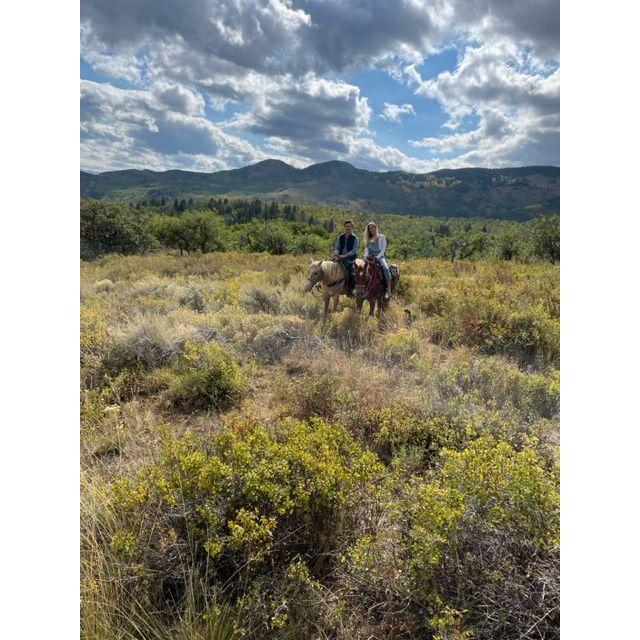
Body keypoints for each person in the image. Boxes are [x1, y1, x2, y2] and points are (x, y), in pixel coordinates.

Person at [363, 221, 392, 300]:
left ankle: (388, 289)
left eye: (372, 228)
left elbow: (383, 249)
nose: (371, 230)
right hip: (370, 257)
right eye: (370, 229)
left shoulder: (381, 237)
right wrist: (365, 257)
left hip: (380, 257)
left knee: (385, 268)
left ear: (376, 228)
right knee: (360, 269)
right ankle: (362, 289)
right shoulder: (368, 239)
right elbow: (366, 250)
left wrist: (377, 258)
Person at [332, 220, 359, 296]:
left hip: (350, 259)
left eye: (349, 226)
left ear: (352, 227)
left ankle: (350, 290)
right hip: (339, 257)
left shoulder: (355, 238)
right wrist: (336, 254)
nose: (348, 228)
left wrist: (344, 256)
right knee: (329, 267)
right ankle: (324, 284)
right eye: (346, 226)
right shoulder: (340, 237)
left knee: (352, 273)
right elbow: (337, 247)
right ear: (344, 227)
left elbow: (354, 250)